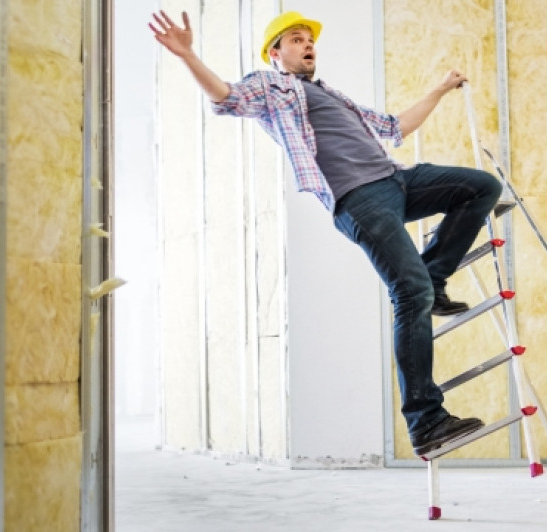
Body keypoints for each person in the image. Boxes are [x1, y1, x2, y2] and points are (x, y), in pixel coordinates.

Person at [149, 10, 502, 456]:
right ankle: (427, 421)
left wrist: (438, 89)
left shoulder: (332, 96)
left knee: (482, 187)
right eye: (295, 39)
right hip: (360, 199)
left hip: (397, 181)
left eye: (309, 39)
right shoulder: (273, 87)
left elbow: (394, 127)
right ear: (276, 53)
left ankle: (435, 275)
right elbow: (227, 97)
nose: (307, 44)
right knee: (410, 293)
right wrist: (187, 55)